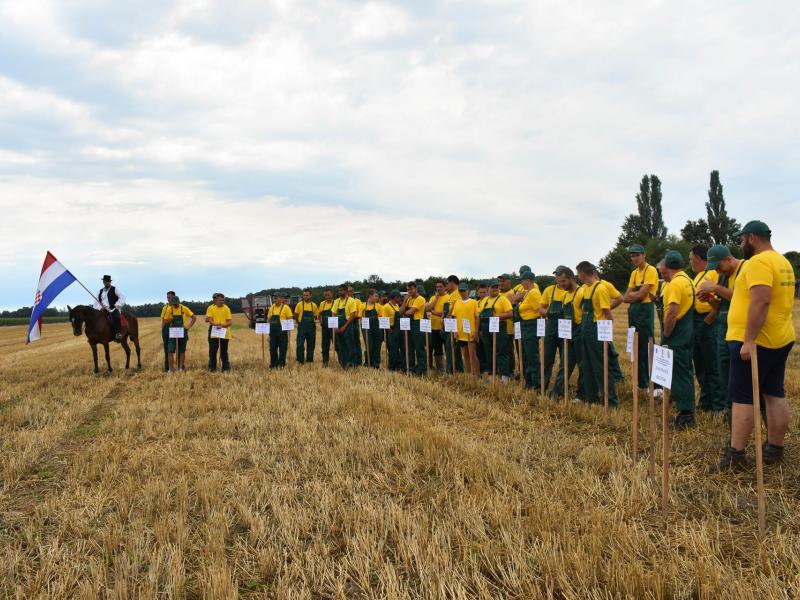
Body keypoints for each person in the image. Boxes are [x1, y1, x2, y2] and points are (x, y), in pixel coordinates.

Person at [711, 221, 796, 472]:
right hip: (779, 337)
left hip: (757, 342)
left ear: (751, 238)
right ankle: (775, 449)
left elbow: (761, 302)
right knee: (774, 393)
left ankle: (736, 457)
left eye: (741, 239)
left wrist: (748, 340)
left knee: (742, 397)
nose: (740, 244)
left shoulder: (758, 262)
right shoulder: (783, 262)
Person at [698, 245, 745, 415]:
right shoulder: (723, 276)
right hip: (723, 330)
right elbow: (721, 306)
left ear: (728, 259)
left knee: (739, 374)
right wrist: (710, 299)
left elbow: (741, 297)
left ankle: (741, 410)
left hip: (740, 332)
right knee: (724, 372)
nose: (717, 270)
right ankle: (729, 409)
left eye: (719, 266)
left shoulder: (744, 270)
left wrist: (715, 288)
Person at [660, 251, 696, 429]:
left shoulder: (675, 284)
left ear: (667, 266)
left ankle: (686, 415)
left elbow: (672, 313)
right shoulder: (688, 280)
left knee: (679, 374)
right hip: (688, 332)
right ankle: (687, 410)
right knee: (686, 372)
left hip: (677, 335)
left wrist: (666, 334)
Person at [576, 262, 618, 407]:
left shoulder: (600, 289)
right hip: (585, 330)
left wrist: (609, 334)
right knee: (587, 366)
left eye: (579, 273)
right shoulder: (586, 289)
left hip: (596, 331)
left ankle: (610, 401)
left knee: (601, 367)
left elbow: (607, 313)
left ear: (583, 273)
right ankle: (591, 398)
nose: (578, 276)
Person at [689, 245, 722, 413]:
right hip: (696, 320)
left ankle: (718, 405)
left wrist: (709, 320)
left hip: (708, 321)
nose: (690, 262)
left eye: (691, 259)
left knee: (712, 365)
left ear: (699, 258)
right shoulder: (697, 276)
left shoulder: (713, 274)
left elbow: (720, 302)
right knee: (700, 364)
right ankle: (705, 401)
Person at [623, 245, 659, 393]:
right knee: (636, 348)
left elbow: (640, 295)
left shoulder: (651, 270)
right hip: (634, 312)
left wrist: (635, 295)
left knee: (648, 347)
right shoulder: (634, 273)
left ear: (644, 255)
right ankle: (642, 384)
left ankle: (655, 386)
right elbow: (625, 298)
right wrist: (636, 295)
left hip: (645, 312)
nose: (634, 258)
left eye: (637, 255)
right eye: (632, 256)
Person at [540, 266, 573, 391]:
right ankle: (542, 386)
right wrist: (549, 313)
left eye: (562, 280)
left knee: (565, 360)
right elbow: (541, 309)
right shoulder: (549, 290)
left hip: (567, 328)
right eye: (557, 279)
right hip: (551, 327)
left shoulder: (572, 291)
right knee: (547, 358)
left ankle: (560, 388)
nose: (559, 282)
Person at [550, 270, 581, 399]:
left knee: (583, 365)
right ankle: (558, 391)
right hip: (568, 332)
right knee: (565, 363)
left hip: (580, 332)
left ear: (572, 278)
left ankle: (582, 394)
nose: (561, 284)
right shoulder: (565, 295)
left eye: (563, 281)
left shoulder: (581, 292)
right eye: (559, 282)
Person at [478, 280, 514, 383]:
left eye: (496, 287)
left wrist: (496, 316)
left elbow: (510, 314)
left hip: (499, 326)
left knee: (502, 351)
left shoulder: (503, 299)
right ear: (488, 288)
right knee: (488, 352)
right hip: (485, 327)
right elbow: (480, 315)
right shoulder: (484, 300)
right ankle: (492, 375)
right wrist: (480, 329)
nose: (495, 289)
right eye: (492, 287)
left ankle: (505, 377)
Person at [516, 268, 542, 389]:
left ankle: (536, 384)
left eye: (522, 280)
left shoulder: (534, 293)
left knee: (532, 356)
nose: (521, 283)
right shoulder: (527, 293)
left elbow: (539, 310)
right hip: (525, 326)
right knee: (526, 355)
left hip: (531, 325)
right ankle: (529, 381)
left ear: (529, 280)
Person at [162, 295, 196, 372]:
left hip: (182, 331)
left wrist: (188, 327)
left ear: (179, 302)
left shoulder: (184, 308)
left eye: (176, 304)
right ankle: (170, 369)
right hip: (172, 332)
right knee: (170, 351)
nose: (175, 305)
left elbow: (194, 318)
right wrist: (171, 319)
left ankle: (180, 368)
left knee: (182, 351)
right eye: (174, 304)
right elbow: (165, 321)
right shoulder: (169, 309)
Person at [452, 283, 480, 375]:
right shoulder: (457, 303)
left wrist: (476, 331)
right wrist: (455, 331)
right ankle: (468, 374)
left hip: (471, 333)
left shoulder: (474, 302)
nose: (462, 292)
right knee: (465, 355)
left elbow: (477, 317)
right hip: (461, 333)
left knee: (472, 354)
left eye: (463, 290)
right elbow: (454, 317)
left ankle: (476, 374)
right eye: (460, 291)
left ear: (468, 291)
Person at [401, 281, 427, 375]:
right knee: (409, 348)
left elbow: (411, 312)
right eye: (408, 289)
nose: (409, 291)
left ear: (416, 289)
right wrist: (404, 301)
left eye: (411, 289)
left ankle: (422, 370)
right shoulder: (408, 299)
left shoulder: (420, 299)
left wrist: (404, 312)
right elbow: (400, 311)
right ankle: (411, 368)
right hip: (408, 324)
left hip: (417, 324)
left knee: (419, 348)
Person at [442, 275, 465, 374]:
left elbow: (453, 309)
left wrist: (446, 318)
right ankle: (457, 369)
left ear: (452, 283)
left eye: (447, 283)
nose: (446, 285)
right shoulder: (451, 295)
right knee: (451, 348)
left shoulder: (457, 294)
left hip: (453, 323)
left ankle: (452, 370)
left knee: (451, 347)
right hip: (449, 323)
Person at [332, 284, 359, 368]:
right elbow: (333, 313)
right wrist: (335, 327)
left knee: (350, 346)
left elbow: (353, 315)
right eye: (339, 290)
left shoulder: (351, 301)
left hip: (348, 326)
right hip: (338, 326)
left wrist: (344, 327)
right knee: (341, 346)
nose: (339, 292)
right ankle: (343, 364)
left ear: (346, 291)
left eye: (341, 290)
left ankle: (352, 364)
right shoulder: (336, 301)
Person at [206, 293, 232, 372]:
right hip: (214, 332)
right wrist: (215, 324)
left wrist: (223, 325)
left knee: (224, 351)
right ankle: (212, 367)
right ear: (216, 300)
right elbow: (209, 319)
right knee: (213, 350)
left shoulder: (226, 308)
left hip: (224, 332)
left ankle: (225, 368)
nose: (221, 302)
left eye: (223, 300)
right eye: (219, 300)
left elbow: (229, 322)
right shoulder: (211, 308)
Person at [96, 274, 126, 341]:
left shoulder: (114, 289)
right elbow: (97, 301)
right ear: (103, 282)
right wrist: (99, 308)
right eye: (105, 281)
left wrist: (117, 304)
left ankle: (118, 333)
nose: (106, 283)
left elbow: (122, 297)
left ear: (110, 282)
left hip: (113, 309)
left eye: (108, 281)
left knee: (115, 316)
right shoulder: (101, 291)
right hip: (103, 309)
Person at [425, 280, 448, 371]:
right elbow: (427, 309)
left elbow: (446, 313)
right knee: (437, 350)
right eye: (437, 287)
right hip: (434, 328)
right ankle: (440, 369)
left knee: (448, 349)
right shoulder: (433, 298)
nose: (438, 288)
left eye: (440, 286)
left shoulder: (448, 297)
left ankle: (449, 368)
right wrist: (436, 299)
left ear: (445, 287)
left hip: (445, 327)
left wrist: (434, 312)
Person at [267, 292, 293, 368]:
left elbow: (290, 319)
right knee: (272, 349)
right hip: (273, 333)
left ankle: (281, 365)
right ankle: (273, 365)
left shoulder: (286, 308)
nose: (274, 299)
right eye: (273, 298)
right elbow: (268, 320)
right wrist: (268, 334)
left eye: (276, 298)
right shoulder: (271, 308)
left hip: (282, 333)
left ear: (281, 299)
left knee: (282, 350)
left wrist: (289, 333)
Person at [294, 289, 319, 364]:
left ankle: (309, 361)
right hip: (302, 327)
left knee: (311, 345)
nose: (305, 297)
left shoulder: (314, 305)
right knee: (300, 344)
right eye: (304, 295)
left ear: (311, 296)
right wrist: (299, 322)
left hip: (311, 328)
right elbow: (296, 315)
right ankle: (300, 360)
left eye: (307, 295)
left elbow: (315, 316)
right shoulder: (299, 304)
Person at [363, 289, 383, 368]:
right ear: (370, 296)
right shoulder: (362, 306)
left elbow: (381, 317)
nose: (377, 298)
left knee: (377, 347)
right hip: (366, 329)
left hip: (377, 328)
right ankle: (367, 362)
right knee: (369, 346)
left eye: (377, 296)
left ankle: (376, 364)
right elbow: (359, 317)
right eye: (376, 296)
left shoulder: (379, 306)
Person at [384, 290, 404, 371]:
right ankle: (391, 367)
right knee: (393, 350)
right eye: (399, 297)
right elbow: (384, 320)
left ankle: (398, 365)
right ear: (395, 297)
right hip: (392, 330)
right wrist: (389, 330)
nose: (400, 299)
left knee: (399, 349)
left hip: (399, 330)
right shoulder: (386, 307)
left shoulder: (397, 306)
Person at [160, 290, 176, 372]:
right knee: (166, 349)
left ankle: (179, 366)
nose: (168, 299)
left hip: (175, 328)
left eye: (169, 297)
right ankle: (167, 367)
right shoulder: (165, 308)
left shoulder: (178, 307)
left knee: (177, 348)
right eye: (167, 297)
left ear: (174, 297)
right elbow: (163, 319)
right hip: (166, 329)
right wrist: (162, 330)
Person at [475, 282, 489, 373]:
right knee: (479, 349)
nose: (482, 294)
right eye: (480, 292)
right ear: (477, 293)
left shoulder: (488, 301)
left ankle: (488, 368)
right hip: (478, 328)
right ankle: (481, 367)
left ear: (487, 292)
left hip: (485, 328)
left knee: (487, 349)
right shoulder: (476, 302)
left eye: (484, 292)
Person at [318, 290, 335, 367]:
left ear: (332, 294)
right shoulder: (322, 303)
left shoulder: (335, 303)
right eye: (325, 295)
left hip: (334, 328)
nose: (327, 297)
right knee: (325, 346)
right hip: (325, 328)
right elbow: (320, 314)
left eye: (328, 295)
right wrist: (321, 322)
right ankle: (325, 362)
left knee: (337, 345)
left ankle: (342, 361)